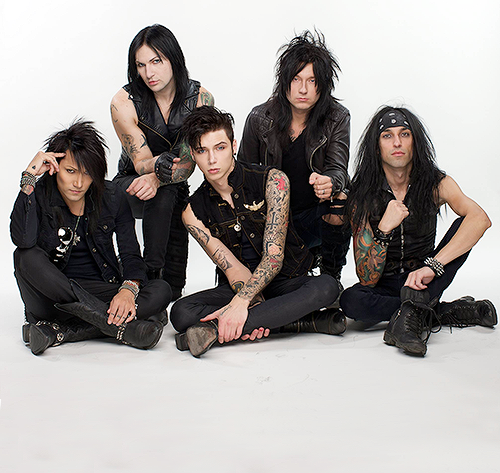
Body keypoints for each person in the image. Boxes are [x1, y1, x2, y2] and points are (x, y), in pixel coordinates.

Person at [170, 106, 345, 358]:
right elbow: (232, 269)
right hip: (240, 286)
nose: (212, 160)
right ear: (193, 155)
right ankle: (294, 322)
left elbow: (274, 257)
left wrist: (240, 305)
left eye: (219, 147)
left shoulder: (273, 180)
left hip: (286, 281)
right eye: (202, 151)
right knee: (180, 313)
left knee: (327, 287)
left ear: (233, 145)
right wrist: (248, 302)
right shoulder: (192, 211)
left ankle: (213, 330)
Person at [340, 106, 496, 356]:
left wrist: (433, 266)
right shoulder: (362, 194)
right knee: (351, 301)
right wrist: (384, 228)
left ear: (415, 142)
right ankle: (440, 312)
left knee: (464, 225)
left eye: (405, 134)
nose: (397, 142)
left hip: (426, 279)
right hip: (386, 284)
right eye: (387, 136)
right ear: (377, 146)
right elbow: (367, 278)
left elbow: (481, 219)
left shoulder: (436, 183)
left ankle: (408, 319)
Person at [11, 120, 171, 356]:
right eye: (70, 171)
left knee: (161, 290)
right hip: (50, 297)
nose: (78, 183)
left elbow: (130, 254)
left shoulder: (112, 196)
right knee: (25, 256)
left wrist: (127, 291)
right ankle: (119, 327)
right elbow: (23, 239)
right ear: (55, 167)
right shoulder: (41, 192)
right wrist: (29, 178)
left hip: (99, 289)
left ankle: (58, 332)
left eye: (87, 174)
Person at [238, 30, 351, 293]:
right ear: (284, 81)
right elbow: (242, 177)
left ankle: (331, 275)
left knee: (345, 197)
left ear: (323, 84)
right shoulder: (259, 118)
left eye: (312, 80)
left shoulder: (337, 117)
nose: (303, 89)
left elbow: (338, 168)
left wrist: (329, 182)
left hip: (313, 216)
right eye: (296, 79)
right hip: (270, 222)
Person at [111, 24, 214, 300]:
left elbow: (190, 162)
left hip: (174, 188)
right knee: (165, 189)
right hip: (129, 184)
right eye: (141, 65)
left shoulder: (200, 99)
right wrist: (157, 169)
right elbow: (141, 161)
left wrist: (159, 177)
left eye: (156, 61)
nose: (149, 73)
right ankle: (148, 274)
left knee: (173, 289)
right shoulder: (123, 102)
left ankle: (154, 281)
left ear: (173, 59)